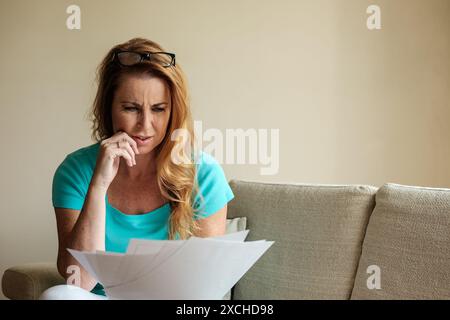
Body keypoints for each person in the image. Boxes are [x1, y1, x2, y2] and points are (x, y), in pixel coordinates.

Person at [40, 38, 234, 300]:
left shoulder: (204, 174)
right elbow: (78, 281)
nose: (145, 125)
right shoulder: (76, 170)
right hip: (100, 297)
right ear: (108, 109)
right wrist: (98, 187)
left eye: (158, 109)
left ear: (173, 111)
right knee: (58, 296)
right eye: (131, 108)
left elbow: (204, 289)